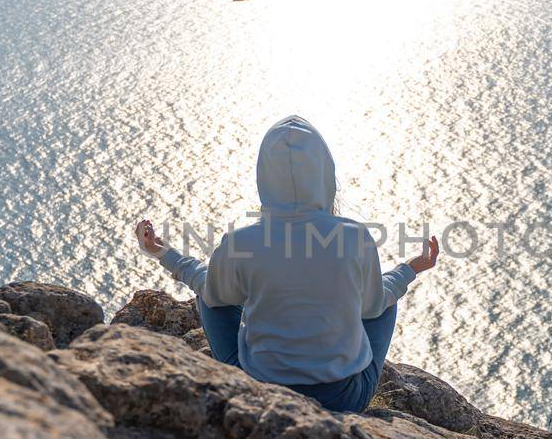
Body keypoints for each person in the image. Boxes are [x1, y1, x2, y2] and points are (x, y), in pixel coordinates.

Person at [133, 115, 438, 412]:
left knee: (212, 295)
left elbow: (208, 288)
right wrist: (409, 269)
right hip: (343, 398)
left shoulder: (241, 242)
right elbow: (372, 308)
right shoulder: (354, 237)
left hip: (261, 389)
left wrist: (164, 253)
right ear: (323, 173)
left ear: (264, 175)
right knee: (386, 298)